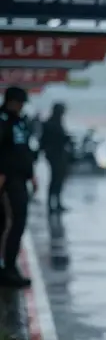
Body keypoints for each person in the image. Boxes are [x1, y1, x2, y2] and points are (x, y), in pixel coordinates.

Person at [0, 87, 37, 288]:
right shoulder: (3, 121)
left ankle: (10, 266)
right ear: (11, 101)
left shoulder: (20, 122)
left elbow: (23, 150)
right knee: (11, 223)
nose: (21, 107)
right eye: (19, 103)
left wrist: (31, 175)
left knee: (18, 222)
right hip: (7, 180)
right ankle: (8, 268)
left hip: (20, 178)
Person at [40, 102, 71, 213]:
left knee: (59, 179)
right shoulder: (51, 124)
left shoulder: (55, 123)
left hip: (58, 154)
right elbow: (46, 140)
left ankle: (56, 202)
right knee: (56, 179)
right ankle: (52, 204)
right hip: (54, 155)